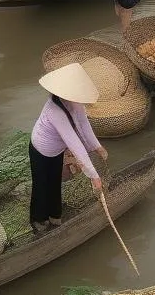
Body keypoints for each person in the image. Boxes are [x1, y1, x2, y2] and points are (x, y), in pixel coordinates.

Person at [29, 63, 106, 232]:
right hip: (40, 150)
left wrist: (97, 146)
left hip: (56, 150)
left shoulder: (75, 102)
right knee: (41, 185)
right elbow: (74, 142)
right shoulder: (53, 110)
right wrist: (93, 176)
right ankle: (38, 219)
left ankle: (55, 216)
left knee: (55, 181)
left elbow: (84, 124)